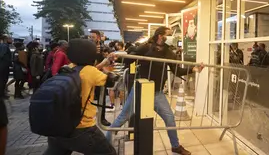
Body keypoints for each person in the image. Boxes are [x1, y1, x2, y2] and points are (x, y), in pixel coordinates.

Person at [106, 26, 204, 155]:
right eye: (169, 34)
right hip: (140, 90)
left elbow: (177, 70)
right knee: (123, 117)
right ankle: (105, 144)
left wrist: (193, 69)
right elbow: (131, 57)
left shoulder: (170, 53)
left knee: (170, 119)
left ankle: (175, 146)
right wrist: (116, 57)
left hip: (157, 93)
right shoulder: (146, 47)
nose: (172, 37)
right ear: (160, 36)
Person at [43, 39, 116, 155]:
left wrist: (101, 64)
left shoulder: (67, 68)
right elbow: (111, 81)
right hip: (82, 128)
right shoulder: (91, 71)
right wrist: (107, 66)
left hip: (59, 126)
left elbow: (85, 72)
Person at [89, 30, 111, 126]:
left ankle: (102, 118)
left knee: (101, 98)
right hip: (89, 75)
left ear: (98, 38)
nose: (91, 39)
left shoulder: (104, 48)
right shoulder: (87, 48)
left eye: (93, 37)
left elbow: (108, 61)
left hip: (99, 76)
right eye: (90, 37)